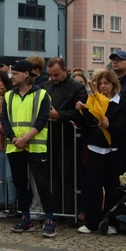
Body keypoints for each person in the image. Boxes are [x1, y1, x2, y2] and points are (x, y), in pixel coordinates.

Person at [1, 60, 57, 238]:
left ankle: (49, 220)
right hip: (15, 146)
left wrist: (25, 138)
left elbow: (42, 120)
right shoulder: (8, 95)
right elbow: (4, 120)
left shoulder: (42, 95)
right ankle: (25, 218)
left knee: (41, 183)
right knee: (19, 184)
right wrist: (13, 138)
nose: (12, 77)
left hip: (35, 146)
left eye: (15, 74)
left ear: (26, 74)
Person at [74, 71, 126, 234]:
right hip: (95, 148)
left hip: (114, 149)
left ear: (114, 85)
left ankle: (111, 222)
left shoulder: (122, 102)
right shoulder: (94, 100)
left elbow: (124, 123)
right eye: (100, 84)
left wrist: (109, 126)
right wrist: (82, 110)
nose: (102, 86)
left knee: (112, 186)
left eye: (106, 83)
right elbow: (86, 123)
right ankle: (91, 222)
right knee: (93, 185)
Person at [42, 57, 87, 216]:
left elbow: (80, 113)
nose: (53, 78)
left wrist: (60, 115)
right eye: (51, 75)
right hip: (49, 138)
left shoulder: (77, 87)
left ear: (65, 71)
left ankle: (69, 211)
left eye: (56, 75)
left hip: (68, 139)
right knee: (51, 176)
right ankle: (54, 210)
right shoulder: (45, 87)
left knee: (67, 177)